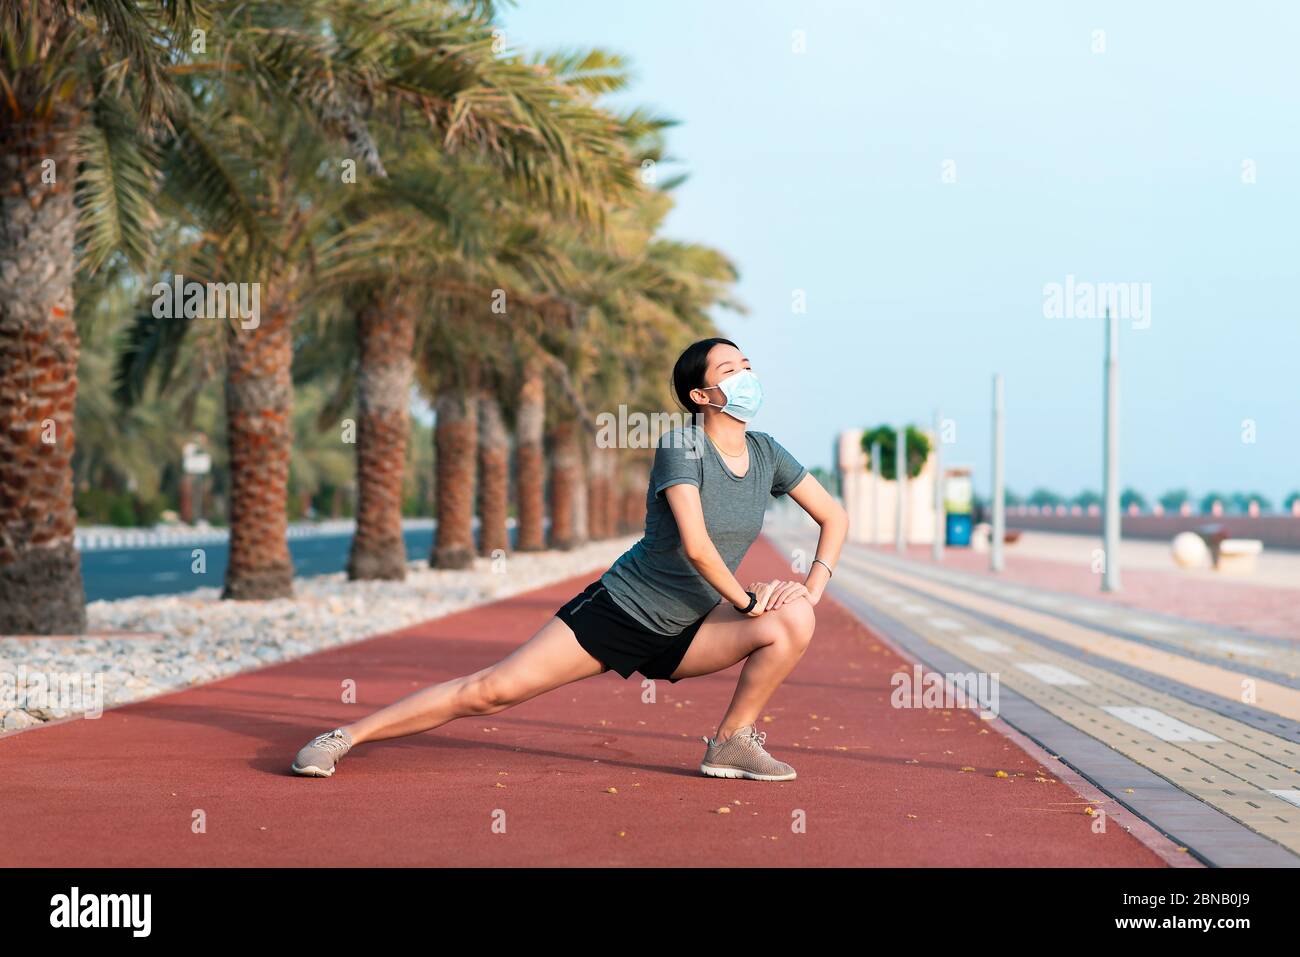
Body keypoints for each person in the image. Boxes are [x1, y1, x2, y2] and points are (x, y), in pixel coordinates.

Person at [291, 337, 849, 781]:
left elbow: (834, 517)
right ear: (701, 396)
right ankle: (345, 737)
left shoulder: (767, 453)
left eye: (746, 363)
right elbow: (697, 546)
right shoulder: (682, 447)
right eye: (730, 369)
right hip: (623, 610)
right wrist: (748, 601)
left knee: (796, 617)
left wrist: (811, 587)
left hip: (691, 629)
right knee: (491, 692)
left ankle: (731, 743)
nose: (746, 375)